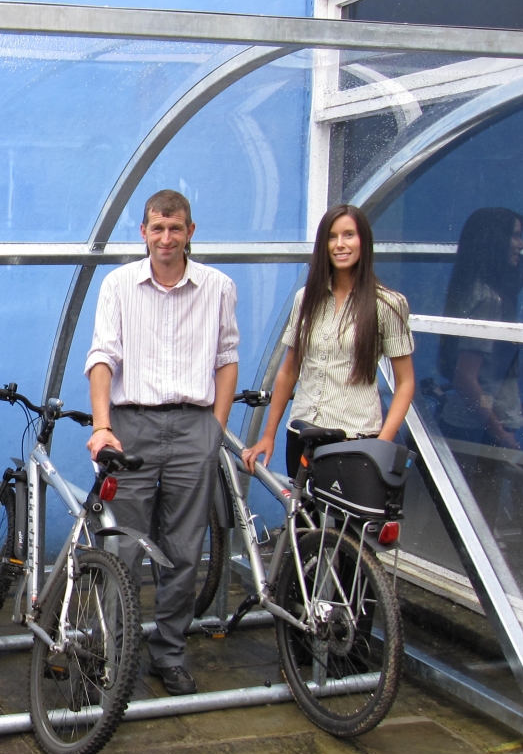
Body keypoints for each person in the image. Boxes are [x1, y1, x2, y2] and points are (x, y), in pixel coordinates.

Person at [86, 189, 239, 697]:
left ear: (190, 231)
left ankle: (170, 654)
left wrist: (215, 427)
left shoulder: (218, 287)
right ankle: (115, 652)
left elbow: (226, 359)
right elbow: (102, 357)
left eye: (176, 228)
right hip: (132, 426)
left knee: (182, 550)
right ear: (144, 232)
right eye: (157, 228)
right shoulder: (119, 285)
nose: (166, 238)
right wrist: (102, 426)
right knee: (122, 547)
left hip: (194, 428)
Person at [245, 204, 416, 480]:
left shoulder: (387, 304)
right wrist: (268, 435)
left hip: (354, 439)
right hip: (302, 435)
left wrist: (382, 443)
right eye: (332, 237)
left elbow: (405, 382)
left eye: (349, 235)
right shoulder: (306, 298)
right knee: (302, 521)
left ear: (363, 241)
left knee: (344, 523)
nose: (340, 244)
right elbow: (289, 371)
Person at [433, 207, 523, 539]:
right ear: (495, 242)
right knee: (477, 525)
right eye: (515, 235)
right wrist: (502, 436)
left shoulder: (474, 290)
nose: (520, 244)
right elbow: (466, 380)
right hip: (479, 430)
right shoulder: (487, 299)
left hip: (479, 424)